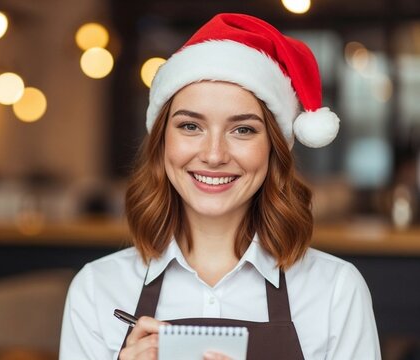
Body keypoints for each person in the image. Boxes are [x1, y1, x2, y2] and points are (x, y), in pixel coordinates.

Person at [60, 13, 380, 360]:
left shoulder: (335, 291)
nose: (214, 155)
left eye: (242, 130)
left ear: (273, 148)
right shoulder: (96, 288)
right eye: (190, 126)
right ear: (162, 142)